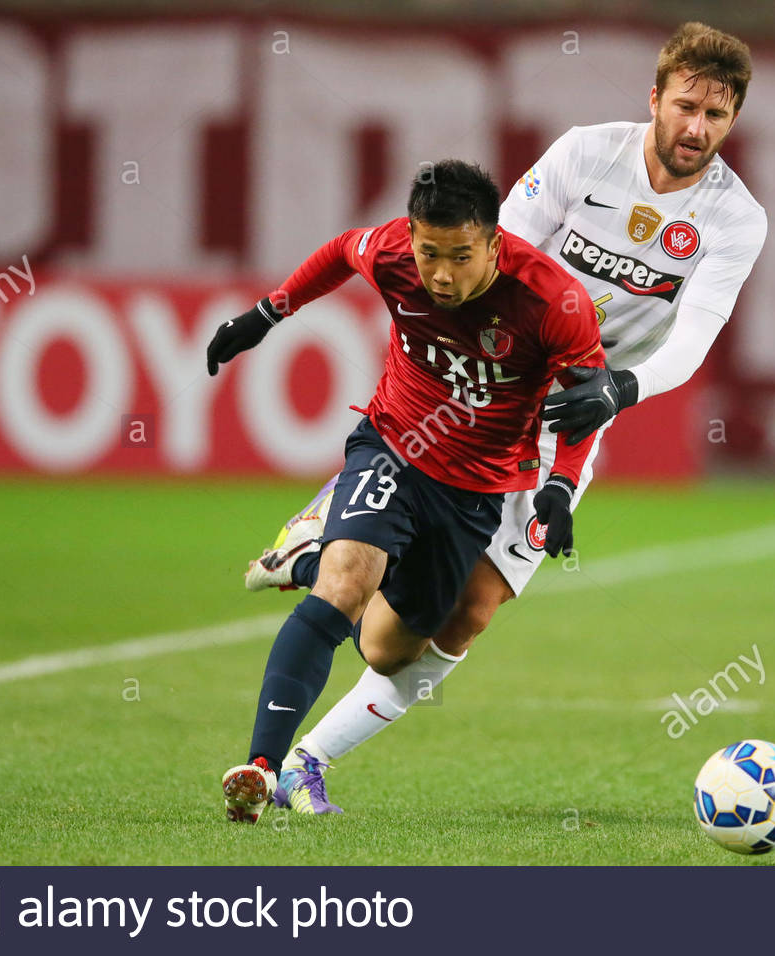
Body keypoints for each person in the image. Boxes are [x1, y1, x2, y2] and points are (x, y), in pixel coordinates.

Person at [246, 21, 767, 814]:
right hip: (492, 387)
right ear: (655, 97)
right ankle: (334, 539)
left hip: (581, 405)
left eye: (717, 117)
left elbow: (693, 339)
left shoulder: (736, 218)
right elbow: (497, 256)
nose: (697, 129)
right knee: (368, 573)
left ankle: (309, 752)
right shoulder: (587, 153)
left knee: (448, 623)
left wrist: (617, 389)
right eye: (687, 106)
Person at [208, 160, 605, 822]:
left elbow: (584, 406)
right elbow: (341, 249)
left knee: (389, 650)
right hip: (392, 446)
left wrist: (560, 487)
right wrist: (268, 312)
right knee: (344, 589)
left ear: (494, 241)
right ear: (413, 237)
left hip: (474, 490)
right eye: (429, 254)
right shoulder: (391, 249)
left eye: (460, 256)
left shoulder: (553, 301)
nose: (441, 273)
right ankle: (261, 767)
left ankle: (303, 553)